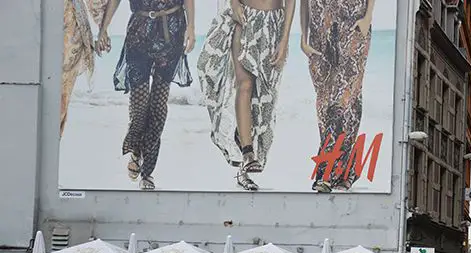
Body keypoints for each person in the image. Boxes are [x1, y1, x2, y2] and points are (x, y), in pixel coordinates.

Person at [96, 0, 195, 191]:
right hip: (139, 32)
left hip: (172, 31)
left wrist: (191, 27)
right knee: (139, 107)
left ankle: (147, 171)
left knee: (158, 106)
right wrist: (104, 28)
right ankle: (136, 150)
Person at [197, 0, 295, 191]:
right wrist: (234, 4)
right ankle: (248, 153)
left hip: (273, 23)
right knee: (245, 85)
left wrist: (284, 41)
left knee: (265, 99)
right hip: (245, 18)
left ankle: (242, 148)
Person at [300, 0, 376, 192]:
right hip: (319, 32)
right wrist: (303, 37)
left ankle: (325, 173)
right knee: (326, 105)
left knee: (343, 100)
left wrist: (367, 17)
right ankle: (347, 169)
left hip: (352, 25)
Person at [61, 0, 108, 136]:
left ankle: (45, 150)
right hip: (63, 25)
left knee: (59, 97)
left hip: (67, 28)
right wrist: (102, 28)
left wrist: (102, 27)